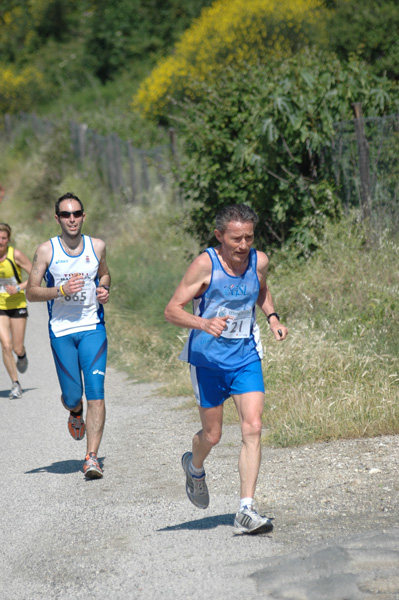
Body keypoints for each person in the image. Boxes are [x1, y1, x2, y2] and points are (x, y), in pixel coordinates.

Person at [164, 204, 288, 534]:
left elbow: (261, 289)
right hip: (207, 361)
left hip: (245, 356)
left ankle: (246, 509)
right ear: (219, 235)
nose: (243, 245)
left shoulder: (258, 261)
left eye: (249, 237)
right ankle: (194, 465)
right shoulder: (205, 265)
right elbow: (172, 310)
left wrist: (272, 318)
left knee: (253, 426)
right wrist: (203, 323)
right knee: (213, 435)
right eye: (236, 238)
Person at [26, 193, 111, 480]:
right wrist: (60, 291)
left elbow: (105, 275)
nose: (72, 219)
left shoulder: (96, 246)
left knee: (96, 393)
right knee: (74, 396)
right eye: (66, 214)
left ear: (83, 216)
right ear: (57, 218)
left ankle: (91, 458)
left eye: (76, 213)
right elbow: (31, 291)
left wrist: (104, 289)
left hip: (92, 328)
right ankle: (75, 412)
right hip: (62, 331)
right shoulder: (46, 251)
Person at [0, 223, 32, 398]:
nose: (0, 241)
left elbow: (35, 274)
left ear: (8, 240)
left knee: (17, 348)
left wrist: (19, 288)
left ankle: (22, 355)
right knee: (6, 345)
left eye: (3, 238)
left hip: (17, 305)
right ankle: (15, 384)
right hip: (0, 307)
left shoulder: (15, 255)